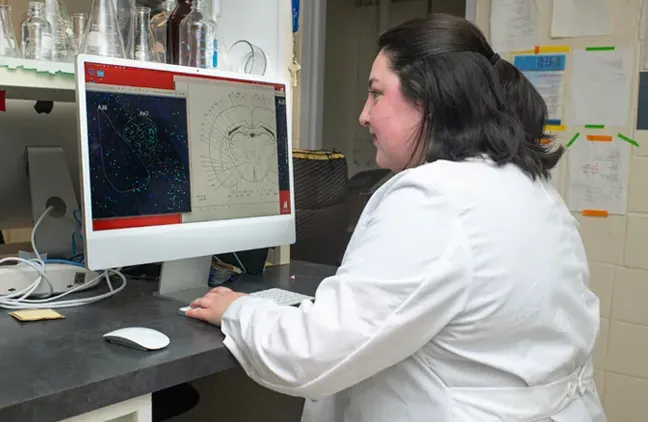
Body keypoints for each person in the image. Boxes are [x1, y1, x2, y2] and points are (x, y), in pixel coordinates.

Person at [186, 14, 605, 422]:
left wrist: (240, 311)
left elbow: (313, 352)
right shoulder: (531, 187)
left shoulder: (434, 198)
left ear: (428, 100)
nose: (363, 115)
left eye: (376, 93)